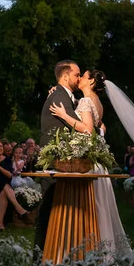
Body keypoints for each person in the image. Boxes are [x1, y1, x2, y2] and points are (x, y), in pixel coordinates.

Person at [50, 69, 131, 256]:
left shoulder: (86, 101)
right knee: (99, 207)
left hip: (88, 164)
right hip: (97, 163)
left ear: (92, 81)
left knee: (88, 208)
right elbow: (97, 127)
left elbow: (87, 129)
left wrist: (63, 115)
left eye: (83, 76)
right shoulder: (97, 102)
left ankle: (90, 253)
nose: (79, 79)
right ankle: (102, 252)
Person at [34, 60, 82, 254]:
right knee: (47, 213)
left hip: (61, 163)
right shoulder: (59, 96)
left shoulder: (63, 96)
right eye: (77, 75)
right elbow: (80, 126)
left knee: (55, 212)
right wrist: (98, 128)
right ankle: (40, 258)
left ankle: (55, 255)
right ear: (65, 76)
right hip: (54, 163)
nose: (79, 78)